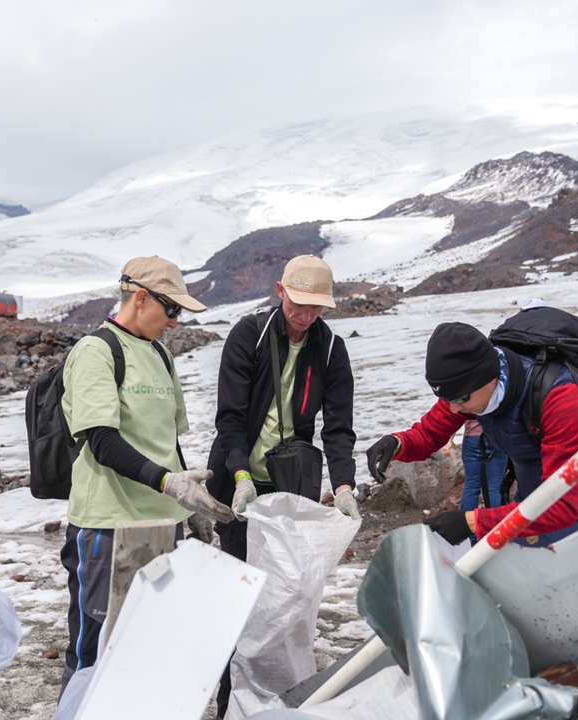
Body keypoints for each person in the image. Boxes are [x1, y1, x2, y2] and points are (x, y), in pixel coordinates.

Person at [59, 256, 234, 691]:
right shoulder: (96, 351)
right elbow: (101, 440)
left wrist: (185, 502)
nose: (175, 322)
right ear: (140, 297)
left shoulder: (160, 354)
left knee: (145, 645)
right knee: (94, 652)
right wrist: (167, 482)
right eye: (171, 309)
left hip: (162, 527)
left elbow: (167, 440)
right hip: (107, 527)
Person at [206, 254, 359, 718]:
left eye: (316, 307)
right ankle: (230, 703)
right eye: (298, 304)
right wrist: (239, 476)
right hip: (239, 483)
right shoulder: (249, 336)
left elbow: (338, 427)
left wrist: (346, 484)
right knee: (237, 595)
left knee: (286, 598)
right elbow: (230, 419)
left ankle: (275, 701)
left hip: (291, 487)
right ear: (280, 291)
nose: (305, 316)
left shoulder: (330, 349)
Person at [366, 321, 578, 548]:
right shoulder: (472, 390)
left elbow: (561, 507)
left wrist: (471, 522)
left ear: (488, 376)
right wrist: (397, 443)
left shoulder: (560, 398)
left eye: (460, 398)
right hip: (530, 501)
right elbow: (428, 434)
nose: (454, 408)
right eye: (445, 398)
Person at [459, 419, 509, 513]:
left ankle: (465, 525)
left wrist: (449, 440)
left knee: (471, 486)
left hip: (473, 436)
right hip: (498, 436)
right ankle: (495, 524)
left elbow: (455, 414)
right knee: (494, 486)